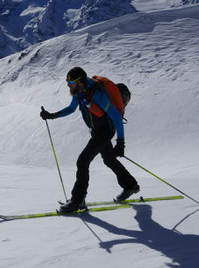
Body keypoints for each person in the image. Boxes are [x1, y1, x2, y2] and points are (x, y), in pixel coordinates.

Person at [40, 67, 139, 214]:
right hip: (97, 131)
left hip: (105, 131)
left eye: (71, 81)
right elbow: (71, 108)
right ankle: (130, 186)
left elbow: (117, 118)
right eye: (67, 81)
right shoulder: (79, 92)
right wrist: (52, 115)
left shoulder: (97, 94)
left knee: (82, 161)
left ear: (80, 82)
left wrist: (120, 142)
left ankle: (78, 200)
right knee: (108, 159)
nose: (68, 85)